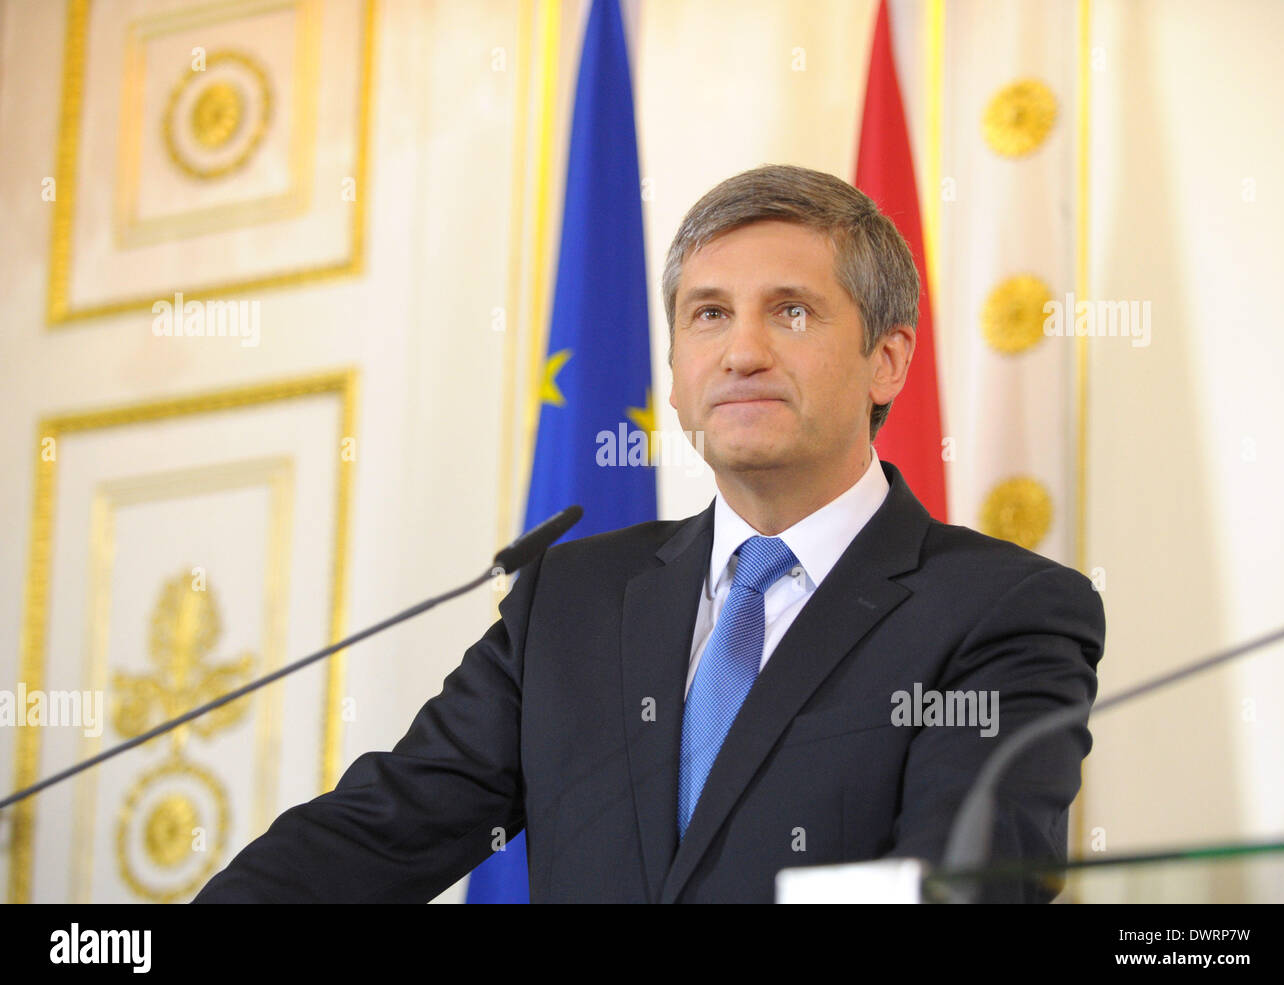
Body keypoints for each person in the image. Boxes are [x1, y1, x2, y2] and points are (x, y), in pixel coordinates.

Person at [193, 164, 1103, 903]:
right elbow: (383, 829)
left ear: (887, 358)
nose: (742, 351)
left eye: (790, 310)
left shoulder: (1006, 611)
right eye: (708, 314)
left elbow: (964, 888)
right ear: (675, 370)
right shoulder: (571, 599)